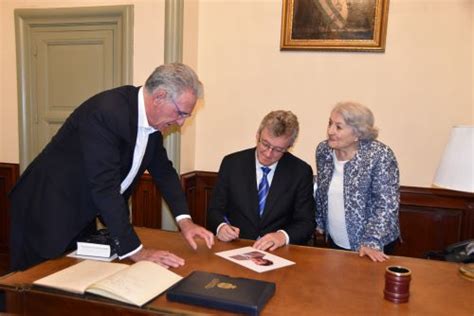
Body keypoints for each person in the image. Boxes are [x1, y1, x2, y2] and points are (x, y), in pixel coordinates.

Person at [9, 63, 214, 271]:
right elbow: (105, 186)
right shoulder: (106, 113)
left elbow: (164, 172)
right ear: (159, 96)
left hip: (82, 211)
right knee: (29, 286)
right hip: (45, 210)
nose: (180, 123)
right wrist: (137, 252)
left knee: (73, 282)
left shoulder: (152, 124)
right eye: (180, 113)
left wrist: (185, 221)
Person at [207, 110, 315, 251]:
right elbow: (215, 210)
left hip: (278, 252)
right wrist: (221, 227)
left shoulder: (300, 172)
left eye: (278, 149)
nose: (269, 153)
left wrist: (282, 236)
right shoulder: (232, 164)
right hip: (236, 247)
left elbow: (306, 222)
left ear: (289, 147)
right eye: (265, 144)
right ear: (257, 135)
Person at [315, 101, 400, 262]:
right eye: (330, 123)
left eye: (338, 127)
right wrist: (319, 222)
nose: (330, 131)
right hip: (335, 242)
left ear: (358, 133)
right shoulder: (324, 151)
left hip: (371, 247)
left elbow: (387, 205)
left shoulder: (379, 155)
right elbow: (321, 190)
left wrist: (371, 241)